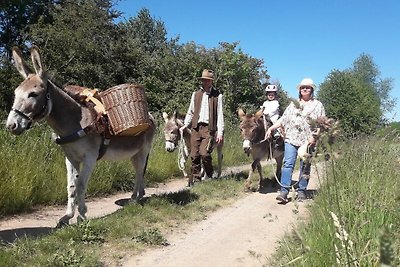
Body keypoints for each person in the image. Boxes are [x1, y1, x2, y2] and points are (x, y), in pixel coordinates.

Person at [266, 78, 325, 203]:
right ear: (299, 90)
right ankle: (284, 190)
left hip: (308, 141)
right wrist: (271, 128)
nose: (305, 89)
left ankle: (301, 191)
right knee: (288, 164)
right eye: (303, 87)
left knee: (305, 165)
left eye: (307, 87)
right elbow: (283, 119)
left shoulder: (318, 105)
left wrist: (314, 137)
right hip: (291, 138)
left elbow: (321, 124)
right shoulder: (293, 104)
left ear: (311, 90)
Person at [180, 69, 224, 186]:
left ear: (211, 82)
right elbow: (190, 112)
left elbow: (220, 115)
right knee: (194, 155)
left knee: (204, 153)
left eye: (208, 81)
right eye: (204, 80)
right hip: (195, 128)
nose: (205, 82)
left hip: (209, 129)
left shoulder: (217, 96)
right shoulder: (196, 94)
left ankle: (209, 174)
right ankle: (196, 180)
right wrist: (185, 125)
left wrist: (220, 132)